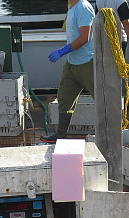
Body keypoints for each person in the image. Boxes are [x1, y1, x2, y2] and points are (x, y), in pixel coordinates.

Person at [41, 0, 96, 144]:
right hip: (72, 64)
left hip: (87, 64)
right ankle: (60, 134)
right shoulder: (71, 7)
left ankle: (112, 133)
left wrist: (62, 51)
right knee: (64, 98)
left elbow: (84, 37)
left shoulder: (83, 7)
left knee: (101, 99)